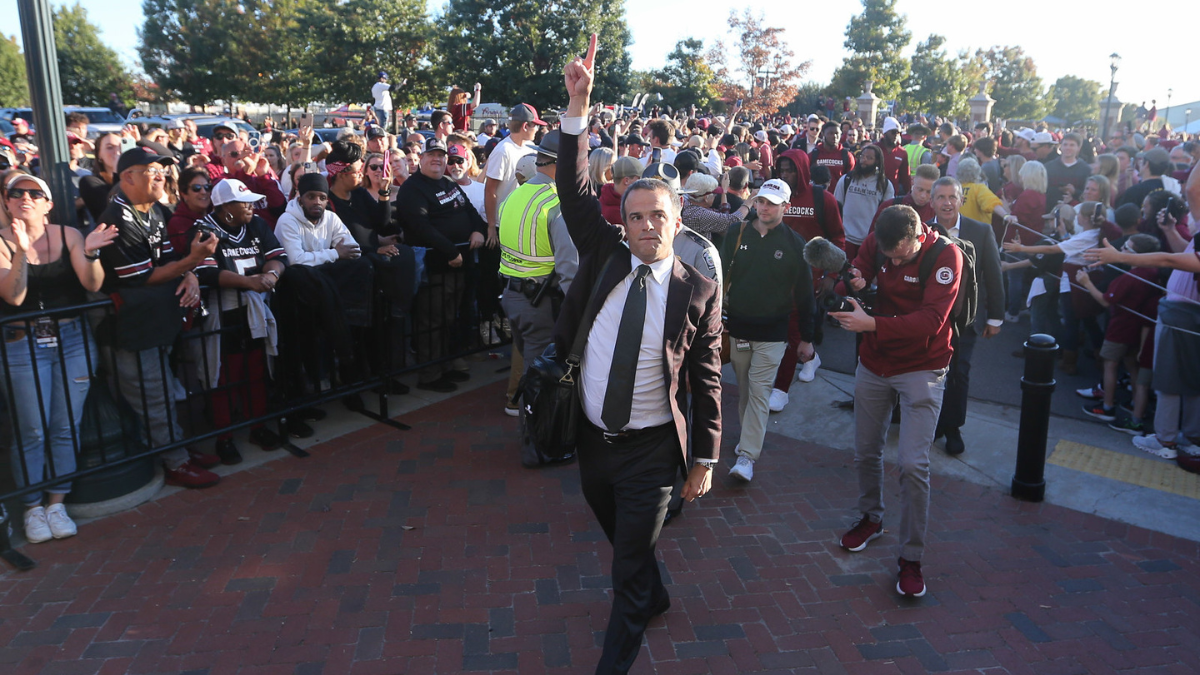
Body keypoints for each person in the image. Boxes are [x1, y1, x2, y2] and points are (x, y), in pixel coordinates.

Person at [558, 36, 720, 674]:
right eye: (636, 217)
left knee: (624, 572)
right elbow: (573, 191)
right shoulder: (603, 257)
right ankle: (653, 590)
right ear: (621, 223)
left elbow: (706, 379)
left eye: (659, 216)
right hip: (594, 442)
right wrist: (578, 106)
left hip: (654, 452)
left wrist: (704, 454)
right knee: (625, 546)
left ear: (678, 221)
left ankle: (621, 645)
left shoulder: (696, 292)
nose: (647, 226)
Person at [831, 204, 963, 598]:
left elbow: (931, 321)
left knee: (912, 464)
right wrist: (851, 283)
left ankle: (911, 558)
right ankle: (871, 518)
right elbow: (850, 282)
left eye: (899, 255)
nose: (891, 260)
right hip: (874, 362)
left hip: (922, 366)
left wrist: (871, 324)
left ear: (918, 235)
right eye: (886, 254)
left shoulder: (945, 256)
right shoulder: (881, 238)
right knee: (865, 451)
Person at [0, 174, 117, 543]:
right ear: (6, 203)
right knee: (32, 429)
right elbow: (14, 297)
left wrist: (92, 252)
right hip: (22, 343)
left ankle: (56, 502)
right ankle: (33, 507)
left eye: (35, 193)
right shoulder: (2, 243)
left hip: (71, 339)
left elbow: (93, 284)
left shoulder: (69, 235)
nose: (24, 198)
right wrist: (20, 249)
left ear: (48, 204)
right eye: (15, 193)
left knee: (67, 425)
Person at [97, 147, 222, 488]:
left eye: (163, 169)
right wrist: (192, 262)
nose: (162, 175)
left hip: (155, 324)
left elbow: (168, 260)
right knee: (153, 398)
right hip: (130, 332)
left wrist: (190, 271)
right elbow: (144, 276)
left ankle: (178, 449)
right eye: (152, 169)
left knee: (165, 394)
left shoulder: (154, 210)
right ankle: (175, 462)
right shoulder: (115, 219)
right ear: (128, 177)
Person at [721, 179, 815, 481]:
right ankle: (749, 440)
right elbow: (721, 275)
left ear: (785, 207)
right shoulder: (736, 233)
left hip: (774, 334)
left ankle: (747, 457)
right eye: (761, 201)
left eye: (772, 203)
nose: (763, 207)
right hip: (739, 329)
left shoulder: (795, 244)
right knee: (747, 391)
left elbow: (805, 296)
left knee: (759, 391)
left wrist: (808, 339)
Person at [190, 179, 288, 464]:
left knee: (256, 368)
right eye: (242, 202)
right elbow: (207, 273)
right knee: (222, 373)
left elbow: (277, 256)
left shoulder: (256, 224)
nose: (250, 206)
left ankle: (257, 427)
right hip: (224, 310)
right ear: (224, 207)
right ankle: (225, 437)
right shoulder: (205, 229)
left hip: (255, 306)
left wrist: (272, 276)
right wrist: (248, 282)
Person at [496, 130, 580, 464]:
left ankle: (539, 442)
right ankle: (538, 448)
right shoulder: (557, 203)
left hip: (514, 296)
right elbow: (569, 270)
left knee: (533, 372)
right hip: (541, 303)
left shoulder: (516, 196)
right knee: (541, 381)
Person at [395, 139, 486, 391]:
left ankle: (444, 365)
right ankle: (429, 375)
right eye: (431, 155)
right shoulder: (412, 189)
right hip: (434, 265)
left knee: (448, 318)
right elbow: (420, 227)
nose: (437, 159)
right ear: (420, 159)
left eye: (441, 155)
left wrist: (478, 230)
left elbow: (470, 211)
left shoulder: (448, 183)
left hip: (459, 263)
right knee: (430, 321)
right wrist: (449, 251)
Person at [928, 177, 1005, 455]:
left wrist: (996, 316)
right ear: (932, 201)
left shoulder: (981, 232)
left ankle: (952, 428)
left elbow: (994, 277)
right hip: (930, 318)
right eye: (941, 197)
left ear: (961, 200)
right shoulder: (923, 230)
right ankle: (932, 423)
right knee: (931, 373)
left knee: (959, 373)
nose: (947, 203)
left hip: (966, 320)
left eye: (952, 197)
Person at [1074, 234, 1163, 430]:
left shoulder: (1131, 277)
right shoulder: (1153, 272)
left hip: (1121, 327)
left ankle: (1107, 407)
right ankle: (1135, 406)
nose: (1120, 251)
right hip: (1140, 329)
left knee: (1110, 365)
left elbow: (1106, 300)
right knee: (1133, 367)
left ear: (1137, 255)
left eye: (1125, 249)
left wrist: (1086, 282)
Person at [835, 144, 894, 261]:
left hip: (870, 241)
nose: (864, 160)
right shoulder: (846, 179)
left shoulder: (885, 185)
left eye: (869, 158)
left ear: (877, 161)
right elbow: (836, 207)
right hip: (846, 239)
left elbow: (887, 215)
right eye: (862, 156)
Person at [79, 132, 123, 222]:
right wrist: (117, 171)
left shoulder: (138, 177)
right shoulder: (90, 181)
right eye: (110, 147)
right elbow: (114, 212)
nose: (117, 152)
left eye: (121, 147)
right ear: (99, 155)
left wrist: (140, 140)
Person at [1045, 132, 1093, 211]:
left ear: (1078, 147)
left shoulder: (1086, 169)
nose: (1068, 147)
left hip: (1075, 213)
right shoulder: (1048, 167)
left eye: (1072, 145)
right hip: (1050, 210)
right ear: (1061, 146)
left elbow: (1089, 194)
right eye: (1065, 144)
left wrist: (1074, 191)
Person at [599, 156, 643, 226]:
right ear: (626, 181)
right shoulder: (616, 214)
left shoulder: (607, 197)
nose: (642, 183)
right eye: (639, 178)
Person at [809, 121, 854, 188]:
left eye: (837, 133)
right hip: (818, 196)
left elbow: (851, 179)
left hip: (838, 196)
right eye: (831, 133)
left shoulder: (847, 156)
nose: (834, 136)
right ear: (823, 134)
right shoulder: (813, 154)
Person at [878, 117, 912, 196]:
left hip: (892, 193)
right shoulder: (874, 148)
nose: (896, 135)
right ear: (885, 133)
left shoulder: (902, 152)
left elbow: (905, 177)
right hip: (873, 192)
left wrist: (909, 194)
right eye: (893, 132)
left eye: (898, 133)